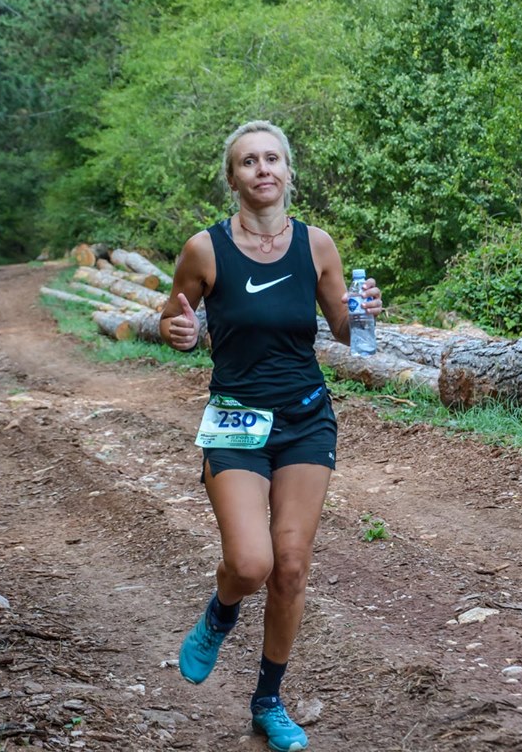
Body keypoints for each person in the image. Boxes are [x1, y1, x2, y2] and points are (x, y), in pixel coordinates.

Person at [160, 121, 382, 752]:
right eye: (249, 161)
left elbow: (345, 329)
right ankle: (219, 613)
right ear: (232, 179)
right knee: (250, 564)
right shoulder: (205, 249)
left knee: (289, 567)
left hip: (306, 419)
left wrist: (365, 311)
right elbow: (174, 317)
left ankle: (267, 702)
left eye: (273, 159)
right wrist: (178, 332)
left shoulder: (317, 245)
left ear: (288, 171)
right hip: (235, 421)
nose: (263, 169)